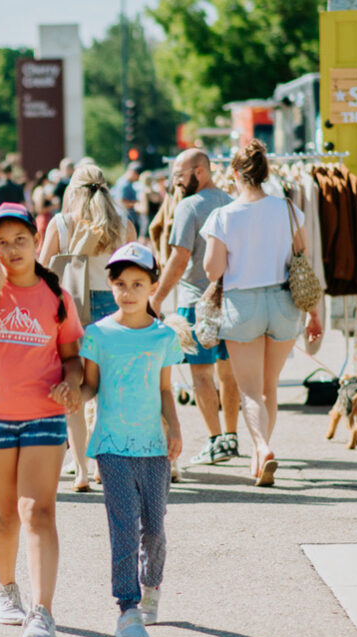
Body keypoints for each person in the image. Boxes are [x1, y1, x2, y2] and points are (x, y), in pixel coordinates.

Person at [0, 203, 84, 637]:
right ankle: (4, 587)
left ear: (36, 241)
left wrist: (71, 385)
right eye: (1, 242)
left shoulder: (57, 296)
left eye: (21, 240)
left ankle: (42, 610)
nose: (12, 250)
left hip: (44, 415)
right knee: (3, 513)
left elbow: (73, 360)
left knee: (39, 511)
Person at [80, 241, 183, 637]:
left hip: (154, 448)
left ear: (153, 285)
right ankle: (127, 606)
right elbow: (89, 385)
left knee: (154, 529)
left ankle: (150, 585)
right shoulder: (98, 335)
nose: (128, 291)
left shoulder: (163, 337)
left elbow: (165, 390)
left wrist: (174, 429)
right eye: (120, 283)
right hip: (111, 445)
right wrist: (70, 394)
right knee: (124, 528)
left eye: (138, 283)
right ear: (111, 286)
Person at [202, 140, 322, 486]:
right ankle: (259, 457)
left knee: (250, 390)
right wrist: (313, 312)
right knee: (270, 387)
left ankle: (262, 447)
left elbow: (213, 270)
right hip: (284, 302)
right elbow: (303, 261)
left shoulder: (222, 216)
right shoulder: (287, 209)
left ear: (236, 174)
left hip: (243, 304)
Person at [37, 164, 136, 491]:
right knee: (109, 393)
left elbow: (40, 270)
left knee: (75, 390)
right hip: (114, 312)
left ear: (72, 190)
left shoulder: (61, 224)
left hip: (72, 311)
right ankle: (103, 466)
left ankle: (80, 470)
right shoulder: (124, 225)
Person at [152, 148, 241, 466]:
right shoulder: (232, 203)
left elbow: (179, 258)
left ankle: (216, 439)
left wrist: (157, 298)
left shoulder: (189, 207)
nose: (176, 182)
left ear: (199, 172)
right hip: (229, 300)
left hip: (195, 302)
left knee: (201, 374)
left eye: (180, 174)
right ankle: (231, 436)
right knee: (228, 373)